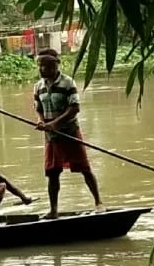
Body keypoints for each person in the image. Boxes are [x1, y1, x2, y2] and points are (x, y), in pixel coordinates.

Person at [33, 48, 104, 219]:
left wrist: (55, 124)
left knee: (84, 168)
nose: (42, 69)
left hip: (70, 132)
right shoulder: (38, 86)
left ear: (55, 65)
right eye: (40, 65)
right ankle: (53, 211)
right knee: (52, 173)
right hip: (51, 137)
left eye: (45, 66)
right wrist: (42, 121)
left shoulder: (68, 83)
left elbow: (74, 108)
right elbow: (38, 108)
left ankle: (99, 203)